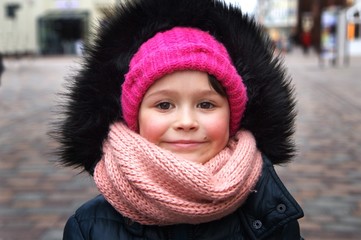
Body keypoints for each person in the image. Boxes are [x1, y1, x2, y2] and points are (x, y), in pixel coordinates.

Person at [52, 0, 304, 239]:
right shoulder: (88, 226)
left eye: (206, 104)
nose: (186, 122)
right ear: (135, 117)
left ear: (232, 117)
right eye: (164, 105)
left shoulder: (271, 215)